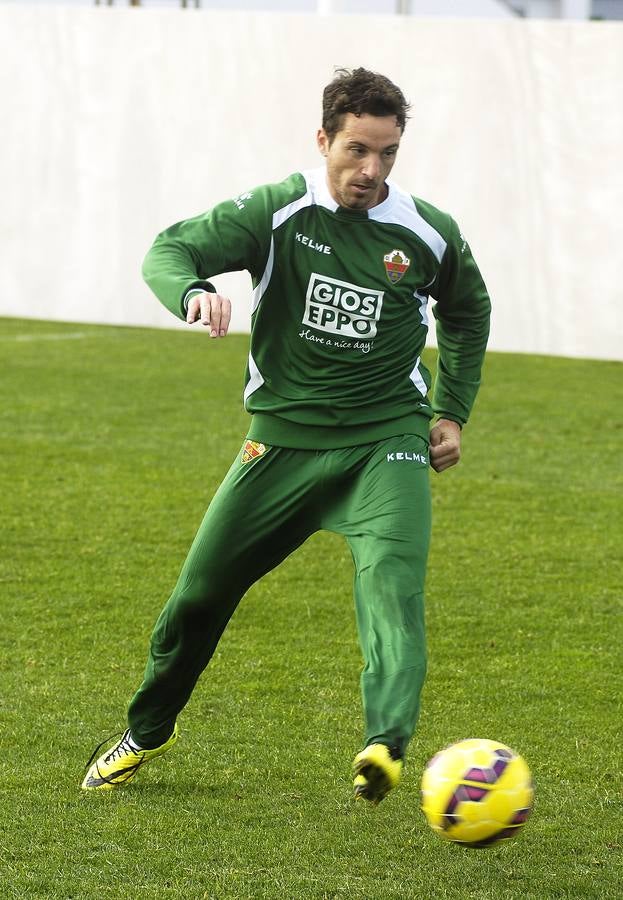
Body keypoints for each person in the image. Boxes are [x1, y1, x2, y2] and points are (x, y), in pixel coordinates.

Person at [82, 67, 491, 803]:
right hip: (281, 443)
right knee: (197, 599)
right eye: (357, 150)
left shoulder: (427, 232)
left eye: (387, 153)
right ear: (323, 139)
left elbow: (467, 312)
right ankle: (148, 729)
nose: (370, 170)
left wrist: (450, 409)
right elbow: (167, 250)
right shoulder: (277, 211)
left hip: (385, 441)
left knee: (391, 589)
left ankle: (384, 744)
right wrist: (194, 291)